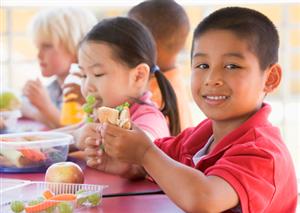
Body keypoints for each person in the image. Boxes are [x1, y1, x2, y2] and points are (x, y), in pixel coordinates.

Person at [85, 7, 298, 212]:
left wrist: (144, 153)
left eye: (232, 66)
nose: (212, 79)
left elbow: (204, 199)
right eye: (202, 66)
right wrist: (128, 164)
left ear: (270, 78)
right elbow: (160, 160)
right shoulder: (200, 137)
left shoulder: (263, 153)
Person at [74, 17, 180, 164]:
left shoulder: (149, 119)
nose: (87, 86)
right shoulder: (106, 114)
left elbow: (145, 152)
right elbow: (69, 134)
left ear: (138, 76)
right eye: (83, 75)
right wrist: (75, 137)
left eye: (98, 74)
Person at [21, 7, 97, 129]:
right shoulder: (54, 88)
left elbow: (78, 133)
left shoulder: (84, 90)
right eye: (37, 47)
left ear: (75, 48)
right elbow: (24, 106)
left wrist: (45, 107)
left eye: (47, 46)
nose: (39, 55)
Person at [128, 0, 193, 130]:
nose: (124, 44)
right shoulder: (171, 79)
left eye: (130, 38)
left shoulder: (155, 94)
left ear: (150, 44)